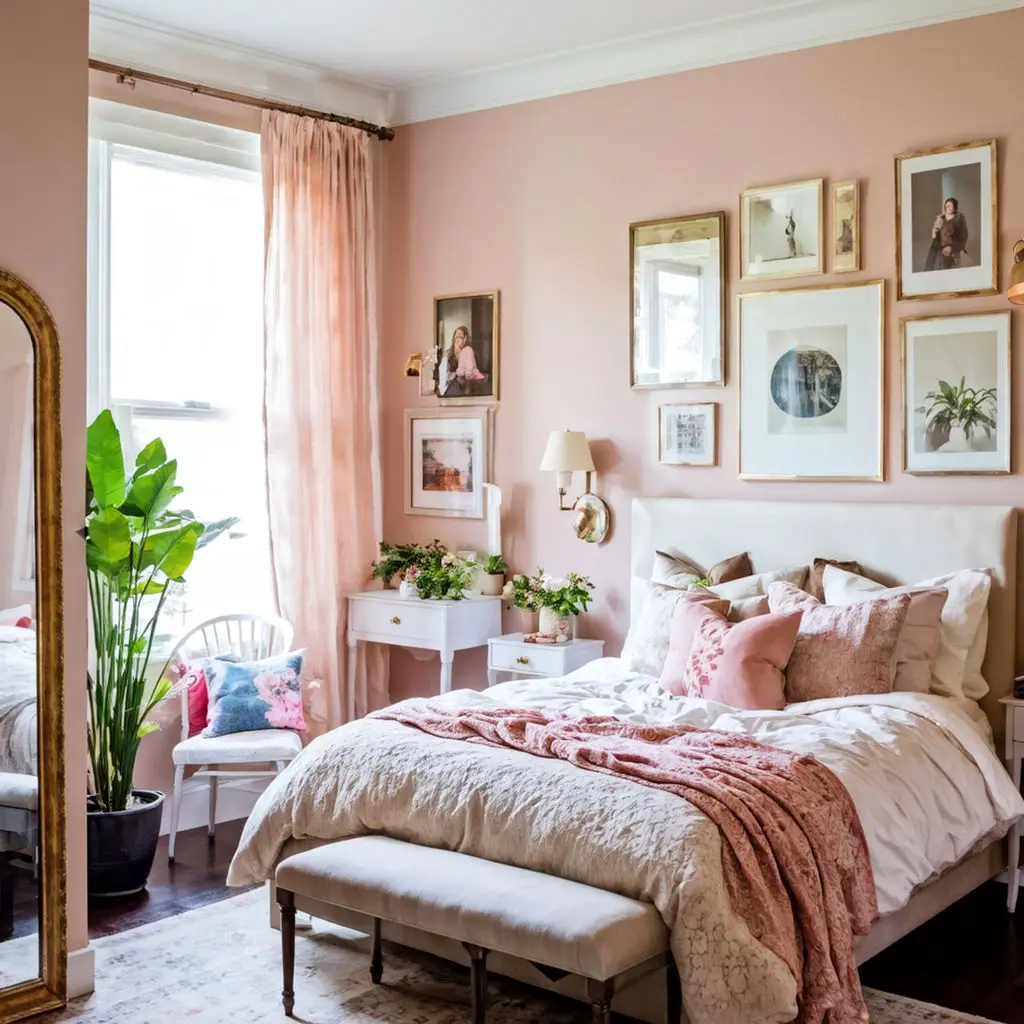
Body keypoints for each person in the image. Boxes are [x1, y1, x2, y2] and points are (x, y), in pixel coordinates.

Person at [924, 197, 968, 271]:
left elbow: (963, 235)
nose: (947, 207)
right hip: (939, 251)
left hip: (953, 252)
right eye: (946, 206)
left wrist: (952, 248)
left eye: (950, 206)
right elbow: (935, 235)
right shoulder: (941, 218)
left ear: (955, 207)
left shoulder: (959, 218)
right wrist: (935, 229)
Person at [443, 326, 487, 395]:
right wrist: (454, 355)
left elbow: (471, 371)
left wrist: (460, 355)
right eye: (456, 337)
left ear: (465, 338)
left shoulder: (470, 351)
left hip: (470, 386)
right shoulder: (450, 352)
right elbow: (447, 371)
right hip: (454, 386)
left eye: (460, 337)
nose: (457, 339)